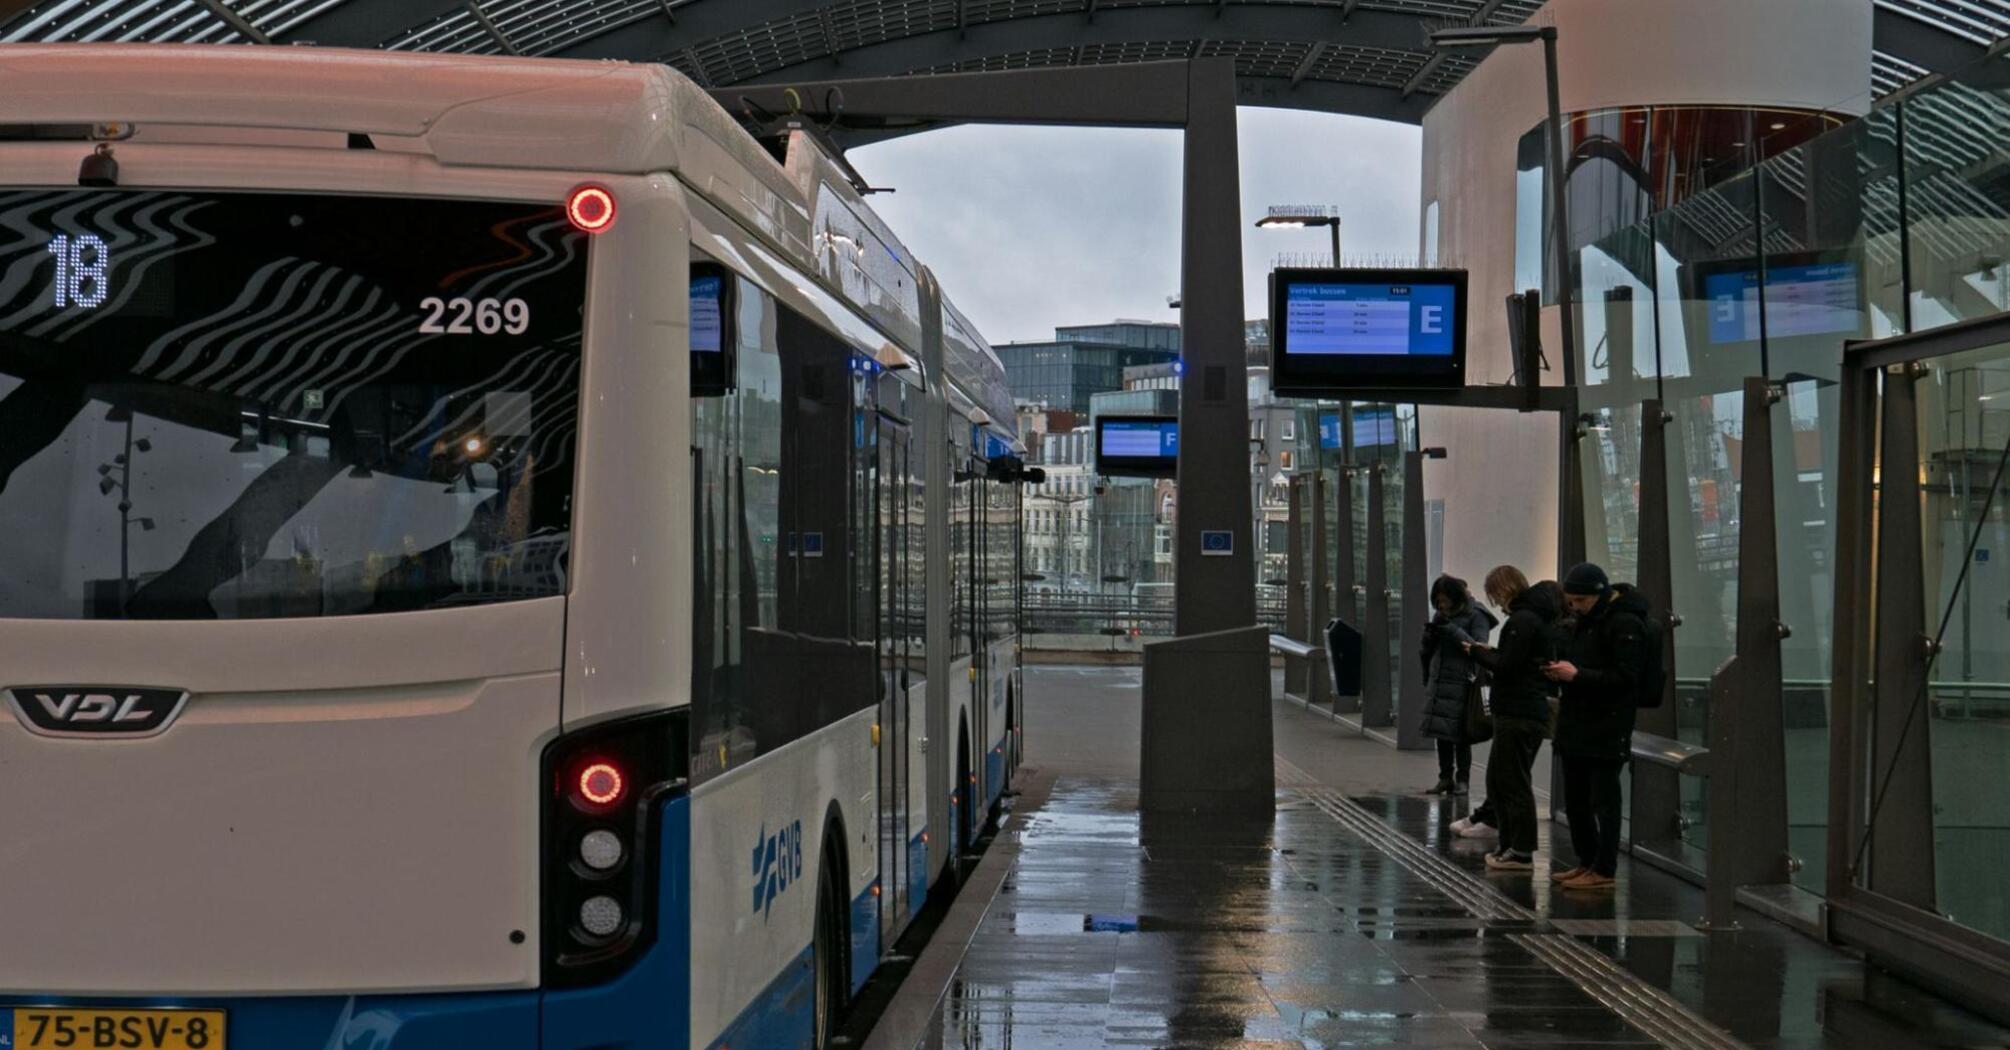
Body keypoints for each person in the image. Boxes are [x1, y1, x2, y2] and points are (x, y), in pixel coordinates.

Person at [1544, 562, 1649, 890]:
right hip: (1577, 721)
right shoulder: (1584, 623)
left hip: (1607, 724)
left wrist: (1578, 675)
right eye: (1571, 601)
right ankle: (1586, 861)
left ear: (1599, 595)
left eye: (1581, 601)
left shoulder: (1625, 624)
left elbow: (1626, 677)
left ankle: (1604, 868)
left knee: (1604, 800)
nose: (1574, 607)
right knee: (1576, 798)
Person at [1463, 568, 1562, 872]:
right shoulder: (1535, 619)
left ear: (1503, 590)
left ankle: (1519, 850)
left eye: (1494, 595)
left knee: (1511, 781)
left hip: (1517, 711)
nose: (1495, 603)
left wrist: (1478, 653)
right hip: (1523, 709)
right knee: (1502, 778)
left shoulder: (1522, 621)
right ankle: (1509, 845)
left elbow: (1508, 665)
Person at [1419, 574, 1496, 796]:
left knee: (1462, 734)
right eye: (1438, 602)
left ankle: (1463, 779)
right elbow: (1428, 649)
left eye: (1445, 601)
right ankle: (1445, 777)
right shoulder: (1440, 615)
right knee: (1442, 732)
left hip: (1464, 681)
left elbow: (1478, 647)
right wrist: (1429, 636)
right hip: (1440, 678)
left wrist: (1452, 630)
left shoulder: (1476, 615)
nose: (1442, 606)